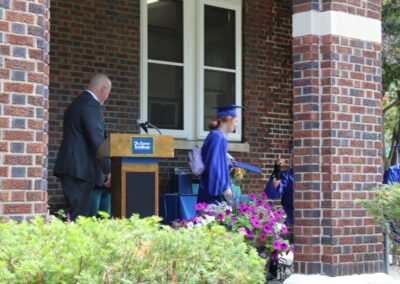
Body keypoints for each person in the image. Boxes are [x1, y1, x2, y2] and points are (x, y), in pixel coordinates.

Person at [54, 74, 112, 221]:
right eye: (108, 92)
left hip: (73, 168)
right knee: (79, 218)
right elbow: (97, 139)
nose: (107, 97)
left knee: (76, 215)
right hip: (79, 170)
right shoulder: (91, 105)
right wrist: (109, 169)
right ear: (104, 89)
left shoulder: (78, 103)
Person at [197, 105, 242, 205]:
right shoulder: (217, 137)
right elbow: (214, 165)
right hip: (214, 191)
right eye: (235, 120)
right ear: (228, 120)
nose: (236, 124)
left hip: (213, 188)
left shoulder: (216, 136)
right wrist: (224, 187)